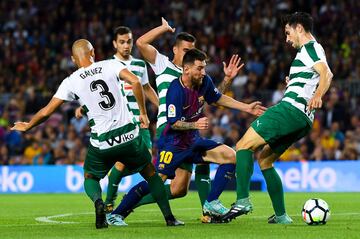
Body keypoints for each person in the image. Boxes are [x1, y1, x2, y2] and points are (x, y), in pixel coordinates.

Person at [11, 39, 183, 228]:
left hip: (103, 142)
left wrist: (28, 126)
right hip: (129, 137)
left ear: (73, 59)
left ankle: (98, 201)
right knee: (151, 174)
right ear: (93, 53)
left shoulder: (71, 81)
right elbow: (135, 81)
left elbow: (46, 112)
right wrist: (143, 113)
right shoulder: (110, 65)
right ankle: (169, 219)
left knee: (91, 177)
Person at [108, 48, 266, 225]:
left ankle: (211, 203)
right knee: (156, 181)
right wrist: (195, 124)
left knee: (231, 157)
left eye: (204, 67)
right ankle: (117, 213)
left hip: (193, 141)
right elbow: (173, 122)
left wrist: (239, 97)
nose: (203, 72)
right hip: (173, 144)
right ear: (187, 69)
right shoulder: (175, 90)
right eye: (199, 68)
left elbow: (216, 97)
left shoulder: (204, 81)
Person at [222, 12, 333, 224]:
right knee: (265, 160)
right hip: (303, 120)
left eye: (288, 32)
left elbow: (327, 74)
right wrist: (294, 82)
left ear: (299, 28)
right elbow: (315, 76)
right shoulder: (308, 53)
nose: (287, 39)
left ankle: (242, 200)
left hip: (290, 111)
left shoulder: (311, 47)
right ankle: (281, 216)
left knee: (243, 146)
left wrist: (318, 95)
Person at [133, 18, 244, 220]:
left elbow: (214, 97)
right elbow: (140, 43)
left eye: (191, 50)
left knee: (179, 190)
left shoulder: (196, 75)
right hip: (171, 129)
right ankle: (129, 203)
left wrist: (227, 79)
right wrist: (164, 28)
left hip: (189, 129)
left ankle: (133, 202)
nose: (189, 54)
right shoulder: (162, 64)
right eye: (185, 50)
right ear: (175, 50)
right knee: (164, 177)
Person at [74, 26, 160, 216]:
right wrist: (82, 107)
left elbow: (146, 88)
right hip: (120, 122)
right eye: (122, 41)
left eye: (129, 41)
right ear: (115, 44)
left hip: (140, 119)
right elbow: (94, 93)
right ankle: (111, 203)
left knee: (145, 159)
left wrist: (162, 106)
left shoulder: (139, 65)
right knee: (124, 163)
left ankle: (112, 200)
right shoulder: (106, 65)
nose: (126, 45)